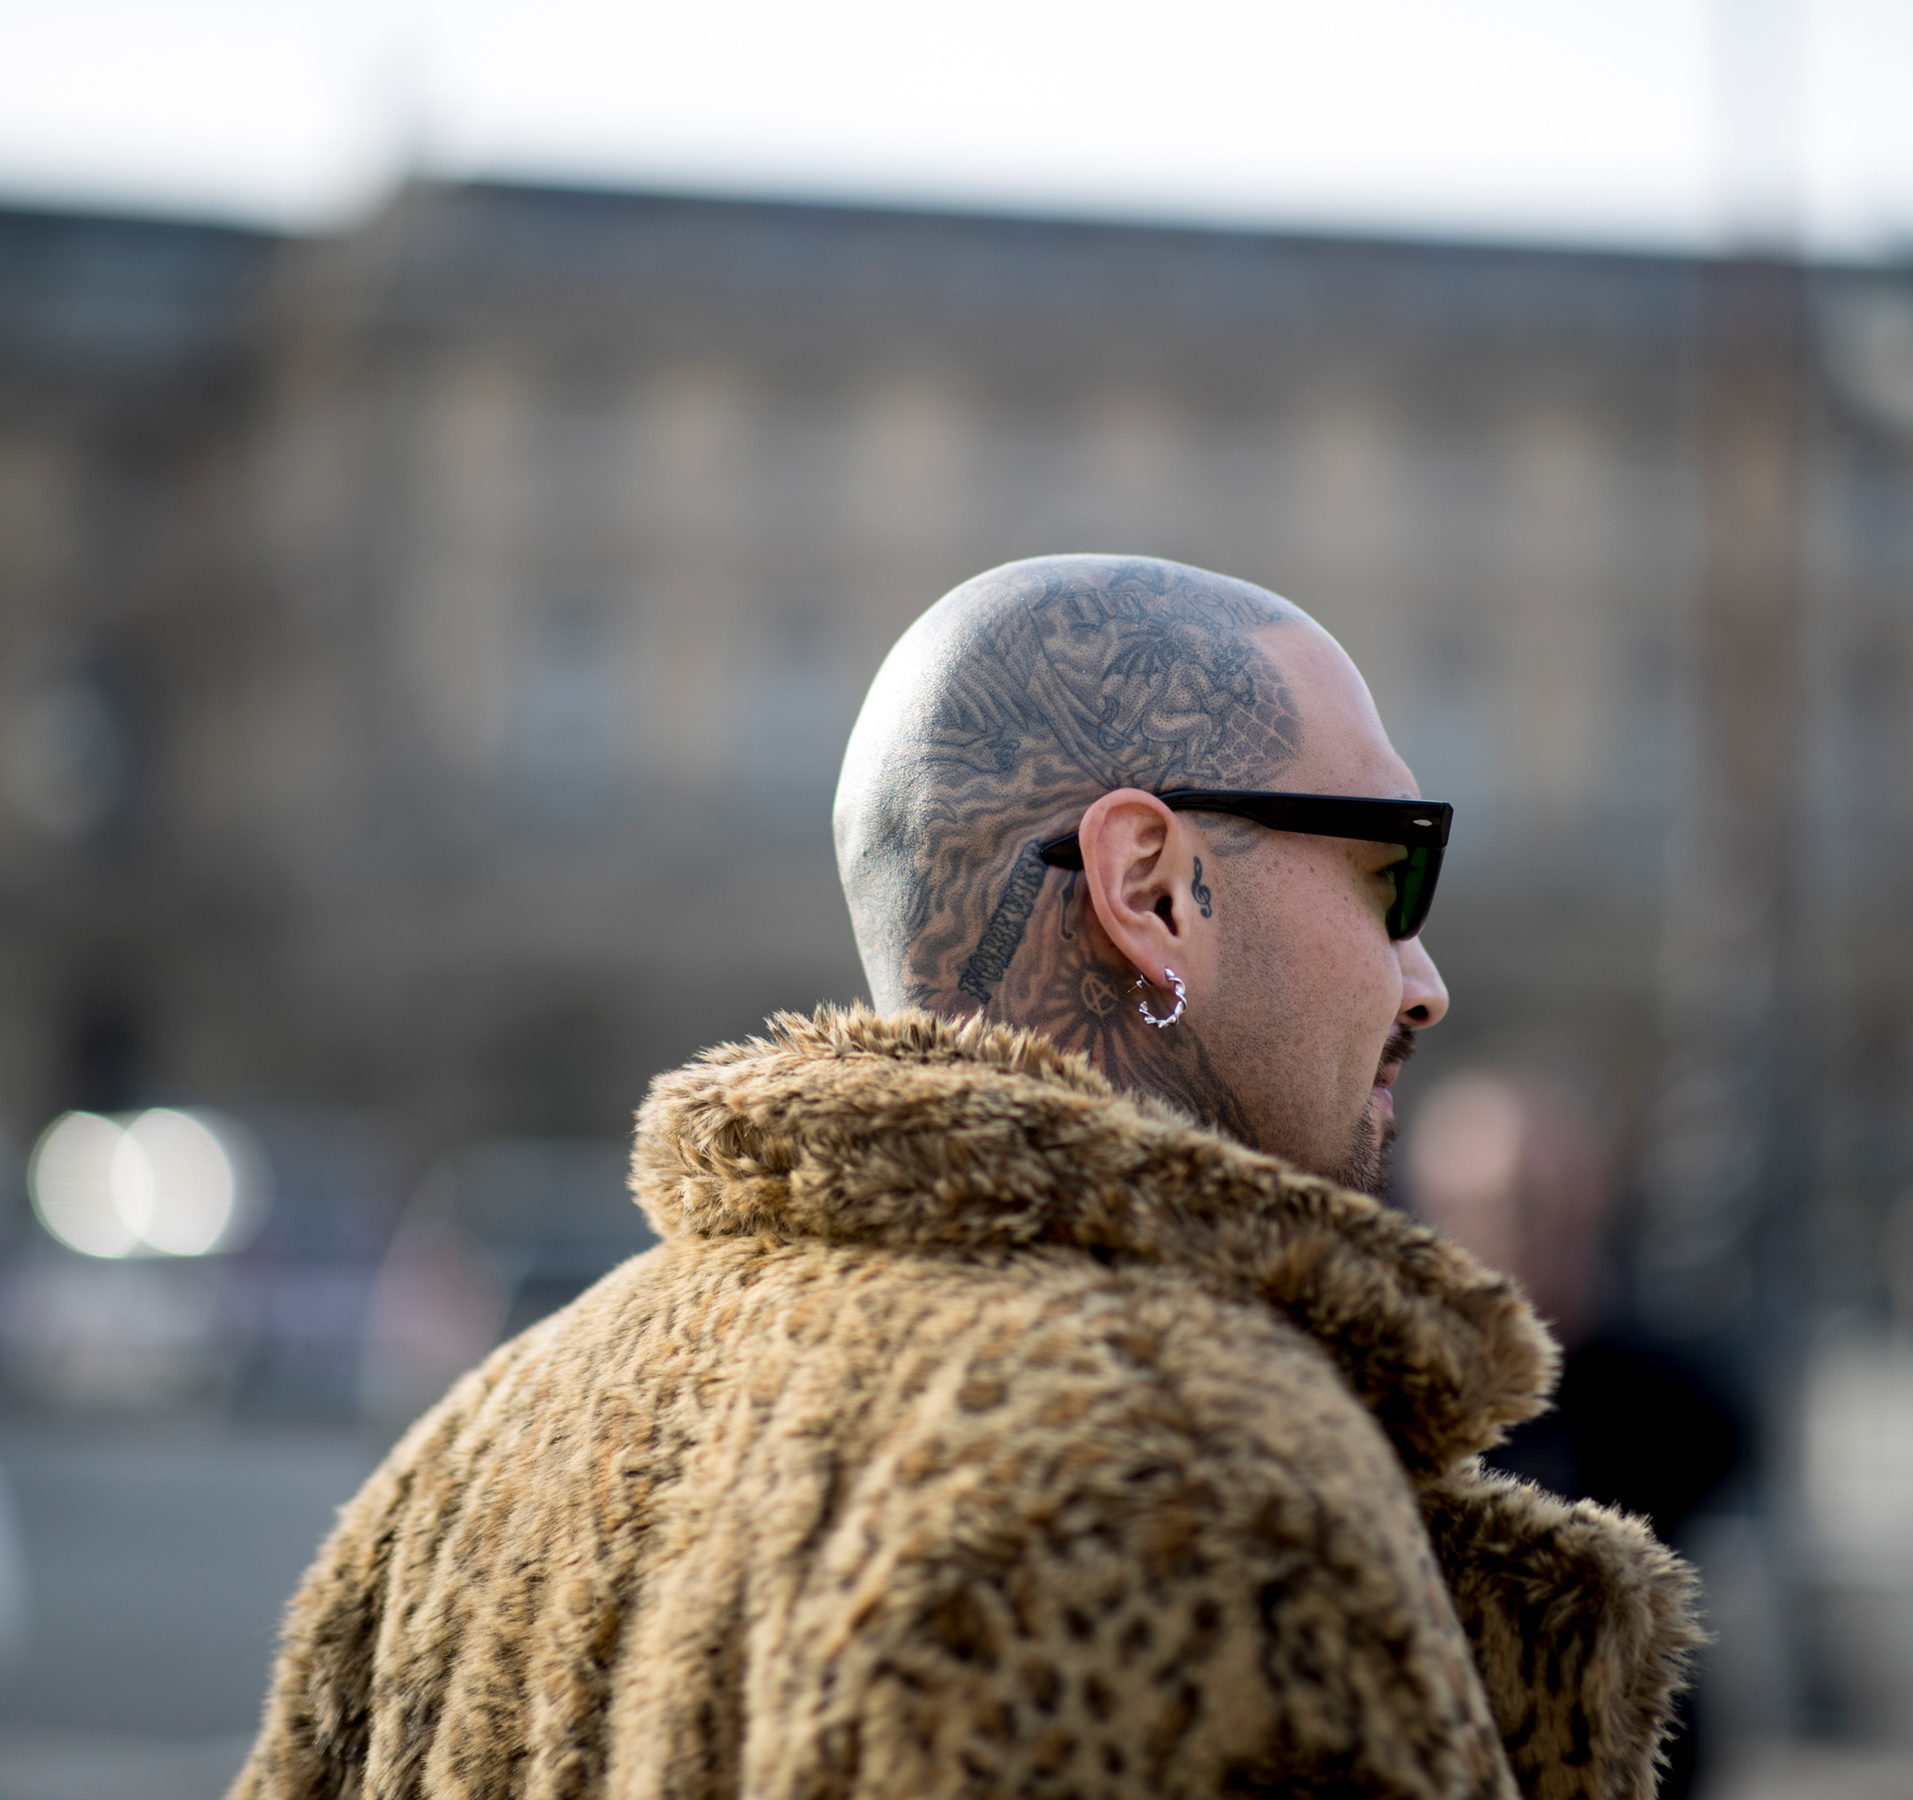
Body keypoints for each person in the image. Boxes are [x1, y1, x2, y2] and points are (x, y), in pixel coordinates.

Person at [236, 555, 1699, 1799]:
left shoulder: (471, 1454)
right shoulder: (1198, 1480)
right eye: (1394, 872)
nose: (1425, 980)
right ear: (1150, 886)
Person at [1408, 1072, 1749, 1799]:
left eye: (1535, 1200)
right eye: (1487, 1205)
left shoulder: (1682, 1404)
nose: (1515, 1229)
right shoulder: (1390, 1403)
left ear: (1592, 1197)